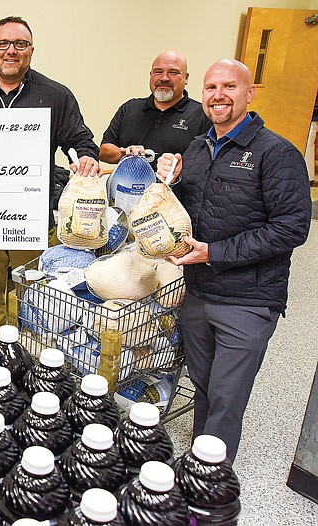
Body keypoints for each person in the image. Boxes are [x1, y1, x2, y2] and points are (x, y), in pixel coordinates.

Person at [157, 59, 311, 463]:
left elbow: (292, 228)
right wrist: (166, 184)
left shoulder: (276, 153)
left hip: (249, 299)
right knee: (204, 386)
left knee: (226, 397)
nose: (218, 95)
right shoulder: (197, 147)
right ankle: (200, 462)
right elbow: (187, 215)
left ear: (249, 93)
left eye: (229, 86)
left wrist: (215, 253)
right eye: (211, 88)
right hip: (199, 292)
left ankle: (211, 483)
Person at [0, 15, 101, 334]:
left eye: (20, 44)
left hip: (32, 218)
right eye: (3, 44)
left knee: (34, 298)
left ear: (31, 50)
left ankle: (30, 364)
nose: (11, 51)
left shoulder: (55, 95)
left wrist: (88, 159)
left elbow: (80, 140)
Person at [99, 50, 210, 169]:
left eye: (173, 72)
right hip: (127, 186)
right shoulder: (129, 108)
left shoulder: (203, 114)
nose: (164, 78)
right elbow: (103, 151)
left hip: (173, 187)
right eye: (158, 72)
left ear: (186, 78)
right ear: (151, 75)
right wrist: (124, 153)